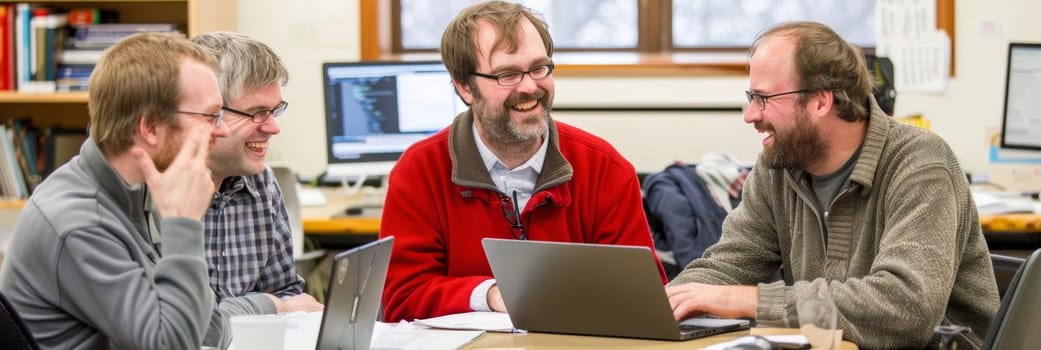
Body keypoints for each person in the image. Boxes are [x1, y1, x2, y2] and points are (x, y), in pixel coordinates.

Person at [666, 21, 999, 348]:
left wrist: (753, 301)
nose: (750, 115)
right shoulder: (778, 166)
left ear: (821, 102)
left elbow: (905, 310)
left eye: (764, 98)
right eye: (751, 97)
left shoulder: (920, 164)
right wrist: (671, 303)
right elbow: (729, 265)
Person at [378, 0, 665, 322]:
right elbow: (401, 299)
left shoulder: (604, 169)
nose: (530, 87)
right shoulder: (420, 170)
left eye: (539, 68)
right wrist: (492, 295)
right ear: (464, 87)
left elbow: (644, 296)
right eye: (507, 74)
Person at [0, 32, 231, 349]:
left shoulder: (142, 191)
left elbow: (211, 330)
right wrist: (184, 223)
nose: (223, 130)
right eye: (210, 116)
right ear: (149, 128)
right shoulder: (77, 223)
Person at [190, 31, 324, 316]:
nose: (274, 127)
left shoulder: (261, 184)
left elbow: (285, 294)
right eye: (257, 113)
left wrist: (278, 306)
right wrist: (268, 306)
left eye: (275, 111)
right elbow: (171, 322)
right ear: (206, 112)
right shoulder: (149, 193)